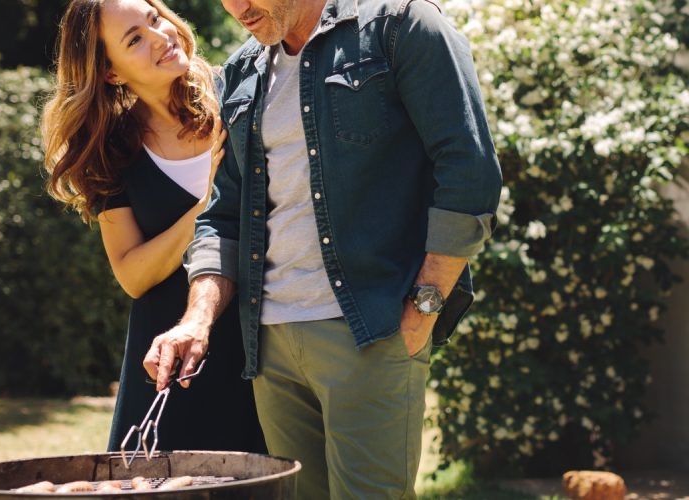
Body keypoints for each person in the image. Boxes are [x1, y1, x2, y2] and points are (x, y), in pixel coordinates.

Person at [145, 0, 502, 497]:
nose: (237, 8)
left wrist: (425, 306)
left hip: (371, 332)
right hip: (270, 347)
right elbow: (223, 216)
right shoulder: (241, 72)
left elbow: (470, 172)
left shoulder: (400, 26)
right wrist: (197, 320)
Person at [40, 0, 265, 454]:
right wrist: (206, 205)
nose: (161, 37)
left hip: (268, 347)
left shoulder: (241, 92)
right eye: (135, 40)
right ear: (111, 73)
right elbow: (132, 274)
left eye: (155, 19)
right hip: (171, 363)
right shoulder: (110, 152)